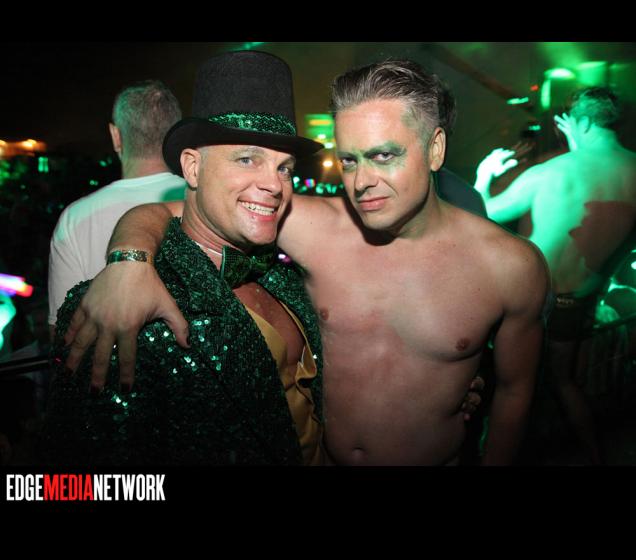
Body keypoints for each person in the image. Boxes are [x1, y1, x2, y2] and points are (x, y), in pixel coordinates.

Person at [62, 58, 546, 466]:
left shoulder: (511, 267)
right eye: (350, 160)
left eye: (383, 156)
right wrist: (128, 261)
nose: (362, 181)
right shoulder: (315, 227)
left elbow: (515, 394)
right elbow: (174, 210)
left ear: (435, 148)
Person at [40, 51, 326, 465]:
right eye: (247, 159)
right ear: (192, 169)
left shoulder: (283, 274)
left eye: (284, 168)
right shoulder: (126, 311)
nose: (275, 184)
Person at [474, 87, 636, 463]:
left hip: (529, 299)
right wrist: (579, 142)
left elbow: (486, 213)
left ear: (581, 122)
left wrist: (485, 175)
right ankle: (594, 456)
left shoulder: (552, 172)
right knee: (565, 382)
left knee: (512, 388)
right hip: (575, 304)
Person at [47, 80, 187, 335]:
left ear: (116, 136)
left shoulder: (75, 218)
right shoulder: (203, 202)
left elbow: (62, 334)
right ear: (176, 134)